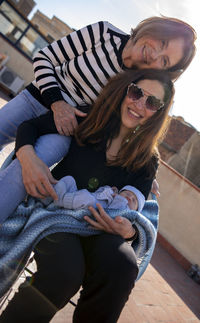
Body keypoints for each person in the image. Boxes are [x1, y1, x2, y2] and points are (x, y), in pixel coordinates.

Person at [0, 68, 175, 322]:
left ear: (159, 112)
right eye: (137, 93)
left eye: (153, 102)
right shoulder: (89, 118)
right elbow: (29, 127)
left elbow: (134, 210)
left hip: (103, 229)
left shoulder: (148, 159)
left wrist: (129, 232)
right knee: (65, 273)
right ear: (127, 89)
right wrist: (27, 158)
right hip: (58, 215)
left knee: (123, 268)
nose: (139, 104)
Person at [0, 16, 196, 199]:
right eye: (162, 43)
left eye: (164, 61)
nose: (155, 55)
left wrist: (143, 174)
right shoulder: (104, 32)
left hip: (65, 130)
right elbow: (44, 58)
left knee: (26, 171)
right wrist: (57, 103)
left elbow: (133, 124)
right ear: (155, 29)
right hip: (35, 99)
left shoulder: (136, 85)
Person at [41, 175, 145, 212]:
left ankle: (58, 200)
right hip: (81, 196)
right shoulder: (113, 196)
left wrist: (121, 199)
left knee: (86, 198)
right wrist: (108, 190)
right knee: (70, 180)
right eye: (127, 193)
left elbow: (112, 212)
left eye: (134, 200)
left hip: (90, 207)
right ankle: (50, 196)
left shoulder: (124, 211)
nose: (129, 197)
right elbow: (98, 193)